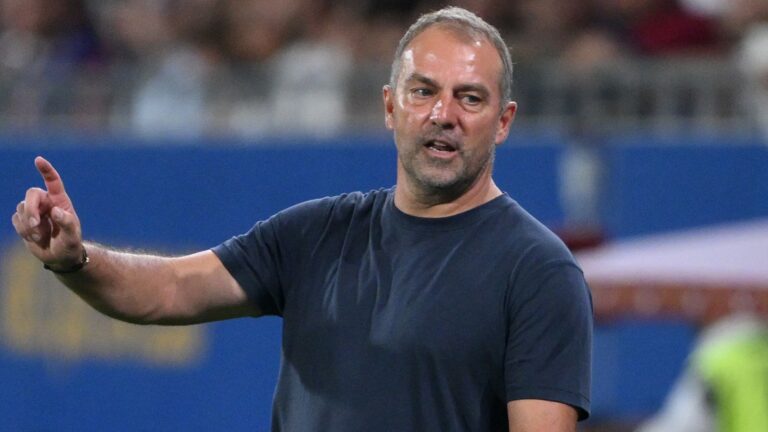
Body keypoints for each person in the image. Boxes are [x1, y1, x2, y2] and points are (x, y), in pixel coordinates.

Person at [11, 7, 592, 431]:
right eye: (423, 92)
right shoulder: (317, 234)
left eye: (470, 97)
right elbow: (168, 290)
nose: (443, 114)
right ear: (390, 107)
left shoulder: (537, 271)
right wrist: (75, 260)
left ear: (504, 121)